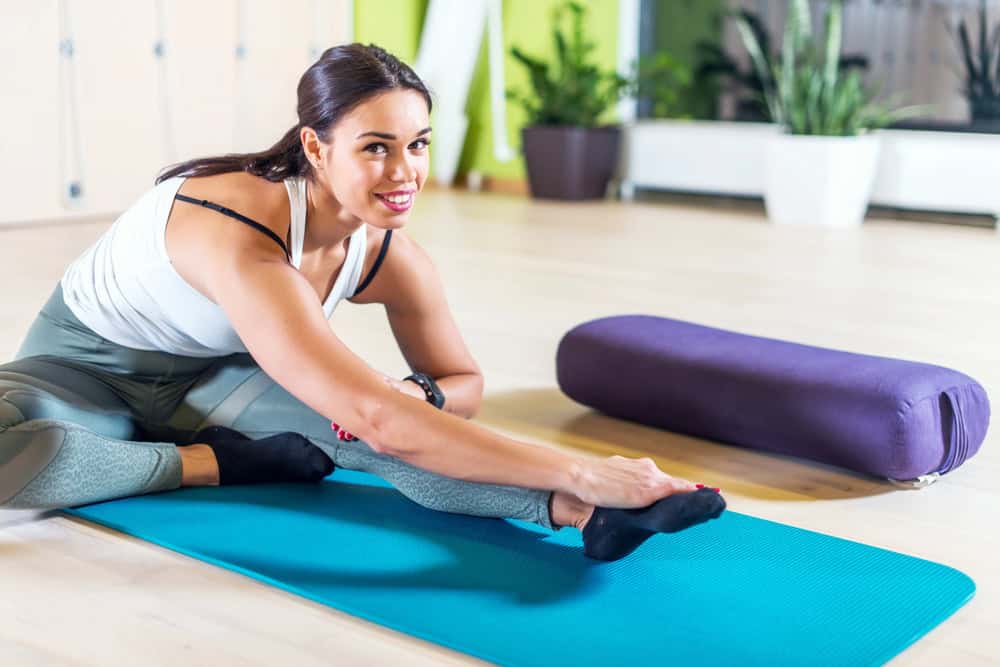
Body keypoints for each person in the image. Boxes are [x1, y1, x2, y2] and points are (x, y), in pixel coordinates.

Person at [0, 44, 724, 561]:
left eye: (418, 144)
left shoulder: (390, 258)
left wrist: (418, 397)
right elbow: (381, 416)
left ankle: (586, 516)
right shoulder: (244, 239)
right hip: (75, 374)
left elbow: (460, 384)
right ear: (316, 149)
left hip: (216, 380)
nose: (404, 170)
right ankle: (206, 465)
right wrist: (574, 461)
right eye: (376, 147)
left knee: (379, 430)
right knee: (376, 420)